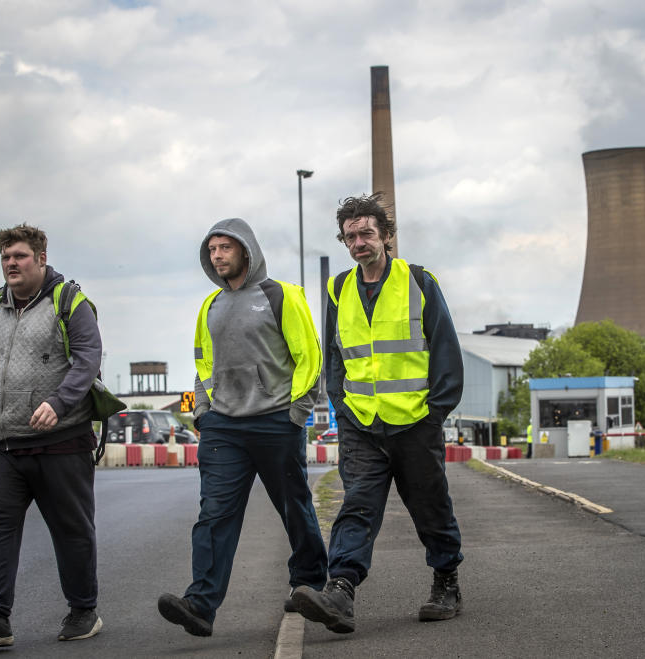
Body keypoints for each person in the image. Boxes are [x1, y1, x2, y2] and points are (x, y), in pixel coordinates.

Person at [292, 193, 465, 634]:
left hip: (414, 423)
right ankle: (341, 592)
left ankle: (446, 580)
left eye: (366, 233)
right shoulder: (338, 289)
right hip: (362, 426)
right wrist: (343, 407)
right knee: (357, 507)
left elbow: (445, 349)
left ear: (386, 237)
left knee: (430, 507)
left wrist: (434, 413)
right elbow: (335, 356)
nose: (358, 243)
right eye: (350, 236)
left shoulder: (419, 282)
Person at [158, 218, 327, 637]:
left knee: (294, 507)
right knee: (213, 514)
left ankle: (309, 582)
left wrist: (297, 412)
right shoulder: (210, 305)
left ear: (246, 250)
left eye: (225, 248)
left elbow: (310, 357)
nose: (217, 256)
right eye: (212, 249)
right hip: (223, 428)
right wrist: (201, 413)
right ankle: (200, 603)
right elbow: (202, 365)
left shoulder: (281, 295)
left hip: (275, 422)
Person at [0, 224, 103, 647]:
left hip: (62, 442)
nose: (10, 264)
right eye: (5, 257)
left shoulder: (68, 301)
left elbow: (88, 359)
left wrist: (59, 402)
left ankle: (83, 610)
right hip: (1, 445)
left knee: (71, 529)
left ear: (41, 258)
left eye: (19, 256)